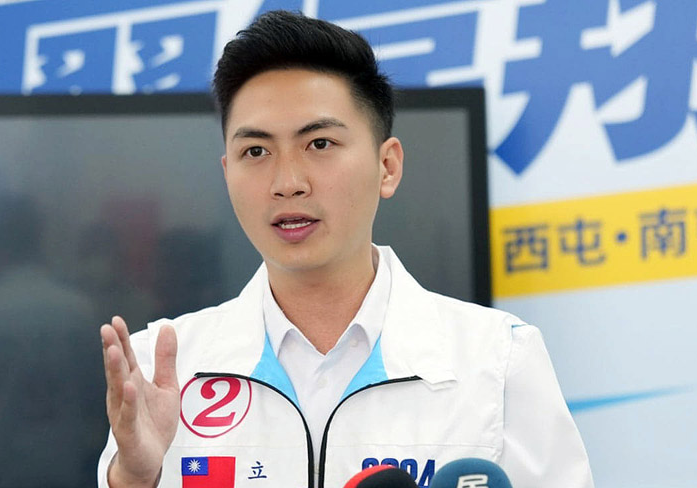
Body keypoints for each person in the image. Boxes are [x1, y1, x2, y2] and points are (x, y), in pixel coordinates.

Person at [98, 10, 594, 488]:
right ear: (228, 173)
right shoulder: (163, 368)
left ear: (387, 167)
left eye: (319, 144)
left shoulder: (498, 360)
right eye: (256, 151)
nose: (287, 182)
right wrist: (134, 480)